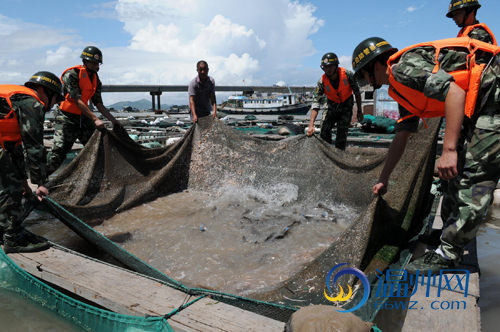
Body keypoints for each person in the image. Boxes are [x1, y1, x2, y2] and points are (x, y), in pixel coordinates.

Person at [351, 36, 500, 273]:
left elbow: (454, 94)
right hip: (479, 104)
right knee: (452, 174)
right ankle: (448, 233)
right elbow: (401, 136)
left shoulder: (400, 69)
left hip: (494, 98)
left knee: (475, 178)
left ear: (374, 65)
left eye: (363, 75)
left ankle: (448, 254)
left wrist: (449, 150)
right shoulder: (399, 89)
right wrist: (384, 178)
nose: (367, 82)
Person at [0, 71, 65, 253]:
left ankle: (4, 229)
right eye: (56, 100)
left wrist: (24, 182)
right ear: (47, 91)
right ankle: (13, 239)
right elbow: (34, 147)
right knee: (8, 187)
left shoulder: (17, 100)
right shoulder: (32, 102)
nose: (53, 107)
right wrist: (41, 183)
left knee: (11, 183)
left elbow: (15, 151)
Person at [46, 46, 122, 175]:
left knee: (98, 147)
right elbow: (77, 100)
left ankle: (98, 177)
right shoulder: (72, 74)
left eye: (97, 63)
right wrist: (95, 119)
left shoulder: (96, 80)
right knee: (60, 150)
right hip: (67, 117)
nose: (95, 65)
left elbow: (98, 103)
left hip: (82, 117)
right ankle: (41, 180)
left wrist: (113, 120)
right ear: (84, 61)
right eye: (92, 62)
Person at [306, 53, 363, 150]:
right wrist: (311, 125)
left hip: (346, 105)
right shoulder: (322, 82)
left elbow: (357, 93)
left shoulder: (348, 75)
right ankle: (327, 154)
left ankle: (339, 155)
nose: (328, 69)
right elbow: (316, 104)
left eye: (331, 66)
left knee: (341, 134)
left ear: (336, 66)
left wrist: (359, 111)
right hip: (331, 105)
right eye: (326, 67)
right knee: (324, 131)